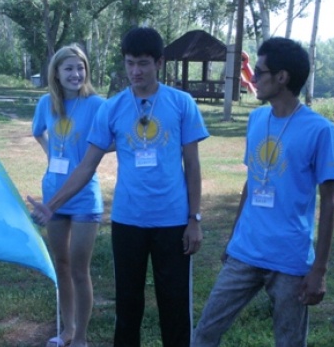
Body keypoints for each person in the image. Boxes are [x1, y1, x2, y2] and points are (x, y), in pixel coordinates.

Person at [31, 26, 209, 347]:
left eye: (143, 63)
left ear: (159, 63)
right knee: (127, 306)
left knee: (175, 306)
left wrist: (194, 219)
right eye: (130, 63)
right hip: (128, 221)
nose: (135, 71)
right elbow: (86, 166)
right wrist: (52, 205)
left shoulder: (181, 103)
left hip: (173, 221)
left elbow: (193, 166)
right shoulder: (112, 108)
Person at [192, 37, 334, 347]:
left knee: (289, 341)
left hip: (290, 259)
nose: (254, 77)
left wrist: (319, 270)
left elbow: (329, 203)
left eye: (259, 71)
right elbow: (252, 182)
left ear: (282, 77)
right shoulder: (257, 119)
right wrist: (233, 238)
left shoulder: (319, 129)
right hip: (245, 252)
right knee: (205, 332)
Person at [32, 44, 105, 347]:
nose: (76, 74)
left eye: (80, 67)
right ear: (57, 73)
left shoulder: (97, 104)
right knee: (61, 264)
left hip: (85, 196)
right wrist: (51, 154)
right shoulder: (46, 103)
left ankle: (81, 338)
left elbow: (113, 139)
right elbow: (38, 131)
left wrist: (89, 156)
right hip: (52, 194)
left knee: (79, 269)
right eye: (69, 68)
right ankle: (67, 330)